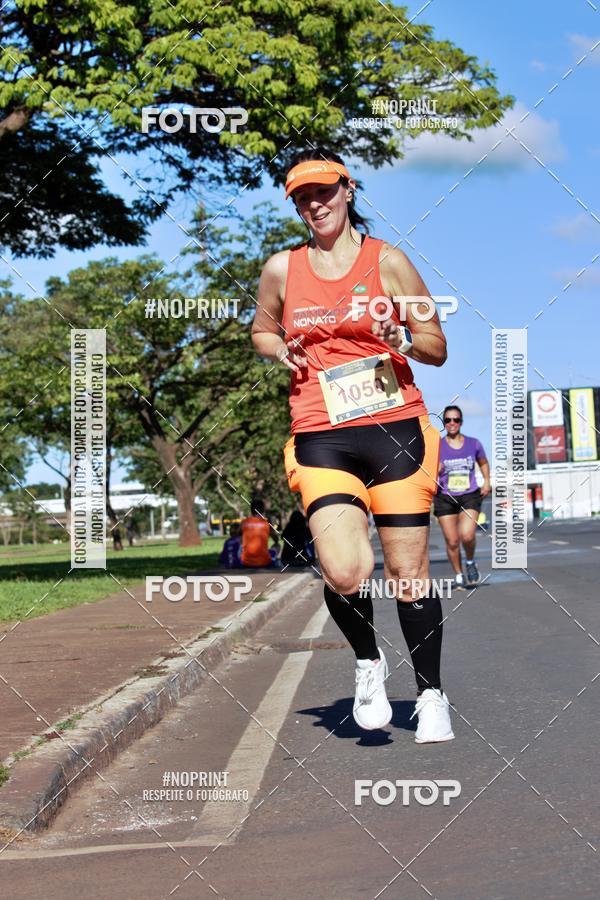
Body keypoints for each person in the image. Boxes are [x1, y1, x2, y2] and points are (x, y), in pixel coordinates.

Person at [251, 148, 454, 741]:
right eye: (302, 197)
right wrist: (278, 348)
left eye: (324, 192)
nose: (315, 204)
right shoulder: (282, 271)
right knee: (343, 571)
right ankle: (368, 660)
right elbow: (263, 329)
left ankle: (431, 695)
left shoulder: (388, 261)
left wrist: (402, 337)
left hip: (394, 427)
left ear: (348, 190)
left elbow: (436, 343)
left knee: (408, 573)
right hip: (321, 431)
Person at [434, 405, 490, 589]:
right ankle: (458, 574)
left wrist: (487, 481)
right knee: (451, 541)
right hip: (445, 497)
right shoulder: (438, 446)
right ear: (444, 423)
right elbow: (427, 471)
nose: (452, 423)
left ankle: (470, 561)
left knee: (466, 535)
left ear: (461, 422)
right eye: (448, 420)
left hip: (469, 495)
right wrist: (436, 470)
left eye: (455, 420)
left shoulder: (473, 444)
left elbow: (483, 463)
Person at [240, 498, 278, 568]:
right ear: (263, 510)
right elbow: (276, 539)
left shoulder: (244, 522)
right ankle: (272, 559)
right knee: (277, 545)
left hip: (246, 562)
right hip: (264, 562)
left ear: (251, 510)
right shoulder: (266, 523)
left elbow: (237, 538)